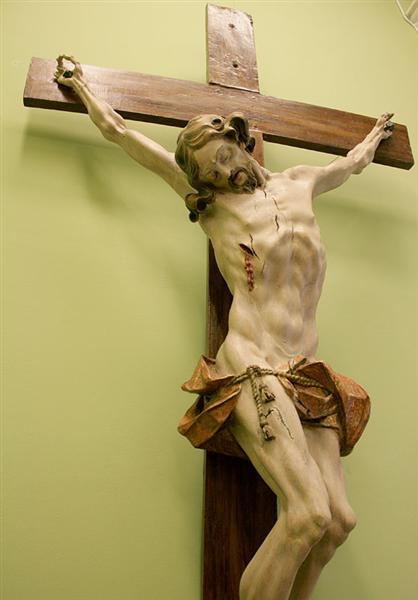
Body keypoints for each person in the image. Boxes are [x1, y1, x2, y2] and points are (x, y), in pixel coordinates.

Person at [54, 55, 394, 600]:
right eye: (210, 173)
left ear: (238, 139)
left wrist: (374, 137)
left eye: (224, 158)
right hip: (254, 363)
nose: (224, 174)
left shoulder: (302, 182)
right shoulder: (215, 210)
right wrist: (84, 89)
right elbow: (123, 135)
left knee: (337, 523)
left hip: (306, 369)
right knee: (307, 513)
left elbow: (352, 163)